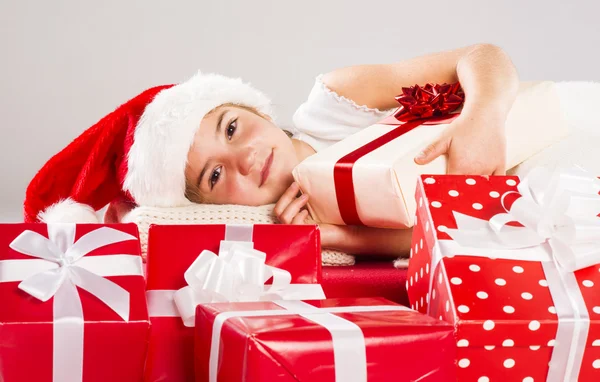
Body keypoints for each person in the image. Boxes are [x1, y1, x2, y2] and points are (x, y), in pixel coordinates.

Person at [24, 43, 520, 258]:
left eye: (233, 127)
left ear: (257, 110)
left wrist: (482, 116)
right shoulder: (290, 221)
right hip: (513, 224)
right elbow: (441, 240)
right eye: (216, 176)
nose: (243, 159)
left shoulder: (334, 102)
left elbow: (481, 56)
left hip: (537, 147)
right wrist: (336, 238)